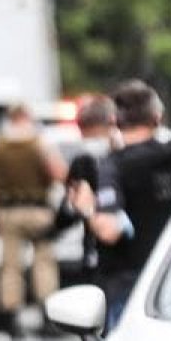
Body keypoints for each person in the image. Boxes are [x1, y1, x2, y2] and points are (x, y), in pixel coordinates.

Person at [70, 80, 171, 329]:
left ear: (114, 121)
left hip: (132, 286)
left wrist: (87, 207)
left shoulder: (114, 166)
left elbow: (110, 230)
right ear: (157, 116)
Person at [0, 102, 66, 339]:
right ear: (27, 116)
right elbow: (58, 172)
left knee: (10, 267)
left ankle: (11, 317)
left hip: (8, 211)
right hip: (38, 210)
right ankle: (47, 315)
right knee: (44, 262)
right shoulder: (39, 143)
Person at [54, 96, 118, 285]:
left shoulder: (84, 161)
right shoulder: (120, 156)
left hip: (99, 255)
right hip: (123, 257)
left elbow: (65, 216)